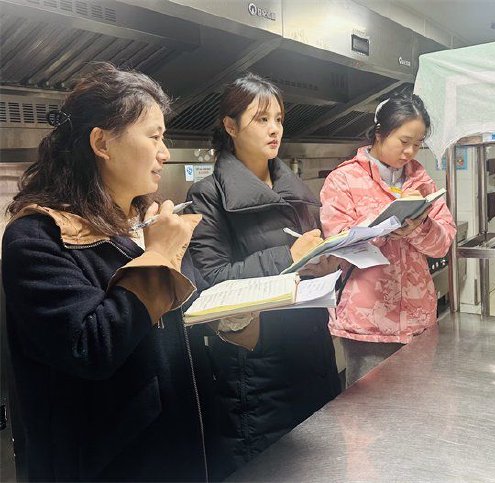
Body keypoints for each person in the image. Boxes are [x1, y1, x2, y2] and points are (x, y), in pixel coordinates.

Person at [1, 63, 212, 482]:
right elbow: (89, 347)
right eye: (154, 136)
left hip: (175, 451)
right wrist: (159, 256)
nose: (164, 153)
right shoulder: (38, 236)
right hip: (107, 467)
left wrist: (233, 317)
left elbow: (180, 321)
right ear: (102, 142)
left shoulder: (141, 223)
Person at [186, 73, 341, 475]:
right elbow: (212, 280)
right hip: (258, 370)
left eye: (279, 119)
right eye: (261, 119)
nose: (274, 129)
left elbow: (310, 259)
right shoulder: (208, 196)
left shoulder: (297, 191)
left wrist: (329, 262)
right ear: (230, 126)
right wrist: (289, 256)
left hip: (314, 352)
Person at [320, 94, 456, 388]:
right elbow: (338, 245)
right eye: (404, 141)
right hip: (368, 322)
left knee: (417, 406)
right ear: (380, 132)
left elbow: (443, 243)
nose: (410, 152)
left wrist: (419, 227)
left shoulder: (421, 180)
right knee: (368, 411)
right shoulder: (344, 179)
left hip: (417, 319)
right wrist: (386, 225)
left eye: (418, 144)